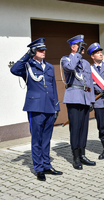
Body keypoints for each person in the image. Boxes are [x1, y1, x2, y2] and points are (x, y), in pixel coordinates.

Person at [11, 38, 62, 181]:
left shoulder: (50, 67)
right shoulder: (27, 66)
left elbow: (53, 88)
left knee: (46, 139)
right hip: (35, 107)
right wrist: (27, 54)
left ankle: (47, 165)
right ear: (34, 51)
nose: (43, 52)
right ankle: (39, 169)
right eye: (40, 50)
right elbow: (14, 69)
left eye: (44, 49)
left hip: (49, 108)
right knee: (36, 139)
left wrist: (56, 107)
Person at [61, 35, 96, 170]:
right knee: (75, 129)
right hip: (74, 98)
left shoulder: (86, 63)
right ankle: (75, 157)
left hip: (85, 98)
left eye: (83, 45)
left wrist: (92, 99)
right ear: (73, 47)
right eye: (80, 45)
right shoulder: (66, 59)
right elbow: (70, 68)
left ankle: (82, 155)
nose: (83, 48)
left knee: (84, 128)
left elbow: (90, 83)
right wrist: (76, 55)